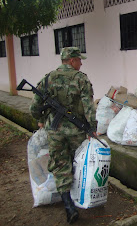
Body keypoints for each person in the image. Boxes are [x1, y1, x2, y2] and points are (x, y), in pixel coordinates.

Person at [30, 47, 97, 224]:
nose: (81, 63)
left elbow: (34, 107)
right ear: (72, 60)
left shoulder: (47, 79)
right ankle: (78, 196)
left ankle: (68, 205)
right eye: (79, 60)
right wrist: (92, 128)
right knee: (79, 162)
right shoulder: (81, 79)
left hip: (54, 130)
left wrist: (40, 119)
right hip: (76, 130)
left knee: (60, 163)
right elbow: (88, 106)